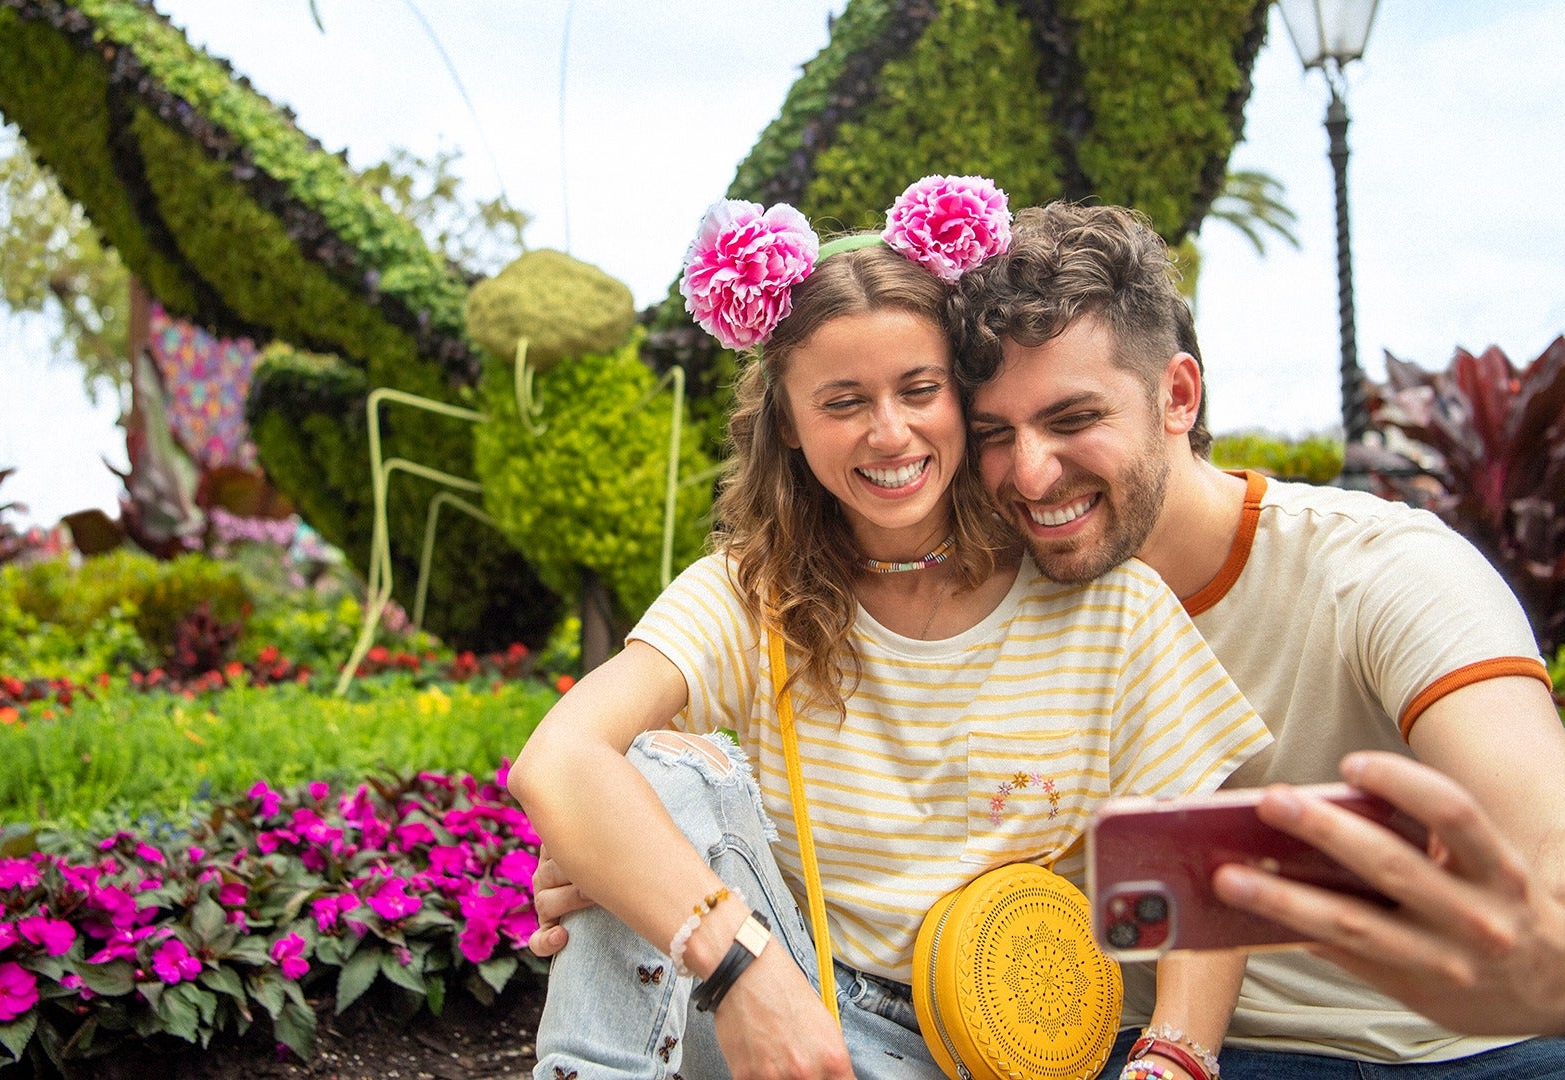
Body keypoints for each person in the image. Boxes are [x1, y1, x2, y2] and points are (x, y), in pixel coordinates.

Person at [507, 179, 1272, 1080]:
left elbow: (1197, 851)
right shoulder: (750, 594)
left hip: (1023, 1047)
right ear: (786, 424)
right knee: (651, 771)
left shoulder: (1108, 608)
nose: (889, 432)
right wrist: (746, 973)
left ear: (963, 396)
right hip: (798, 1020)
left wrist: (1174, 1061)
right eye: (841, 402)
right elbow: (557, 760)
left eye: (920, 389)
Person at [947, 199, 1565, 1077]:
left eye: (1073, 420)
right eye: (995, 435)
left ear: (1176, 395)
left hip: (1452, 1052)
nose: (1029, 474)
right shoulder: (988, 597)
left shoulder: (1381, 570)